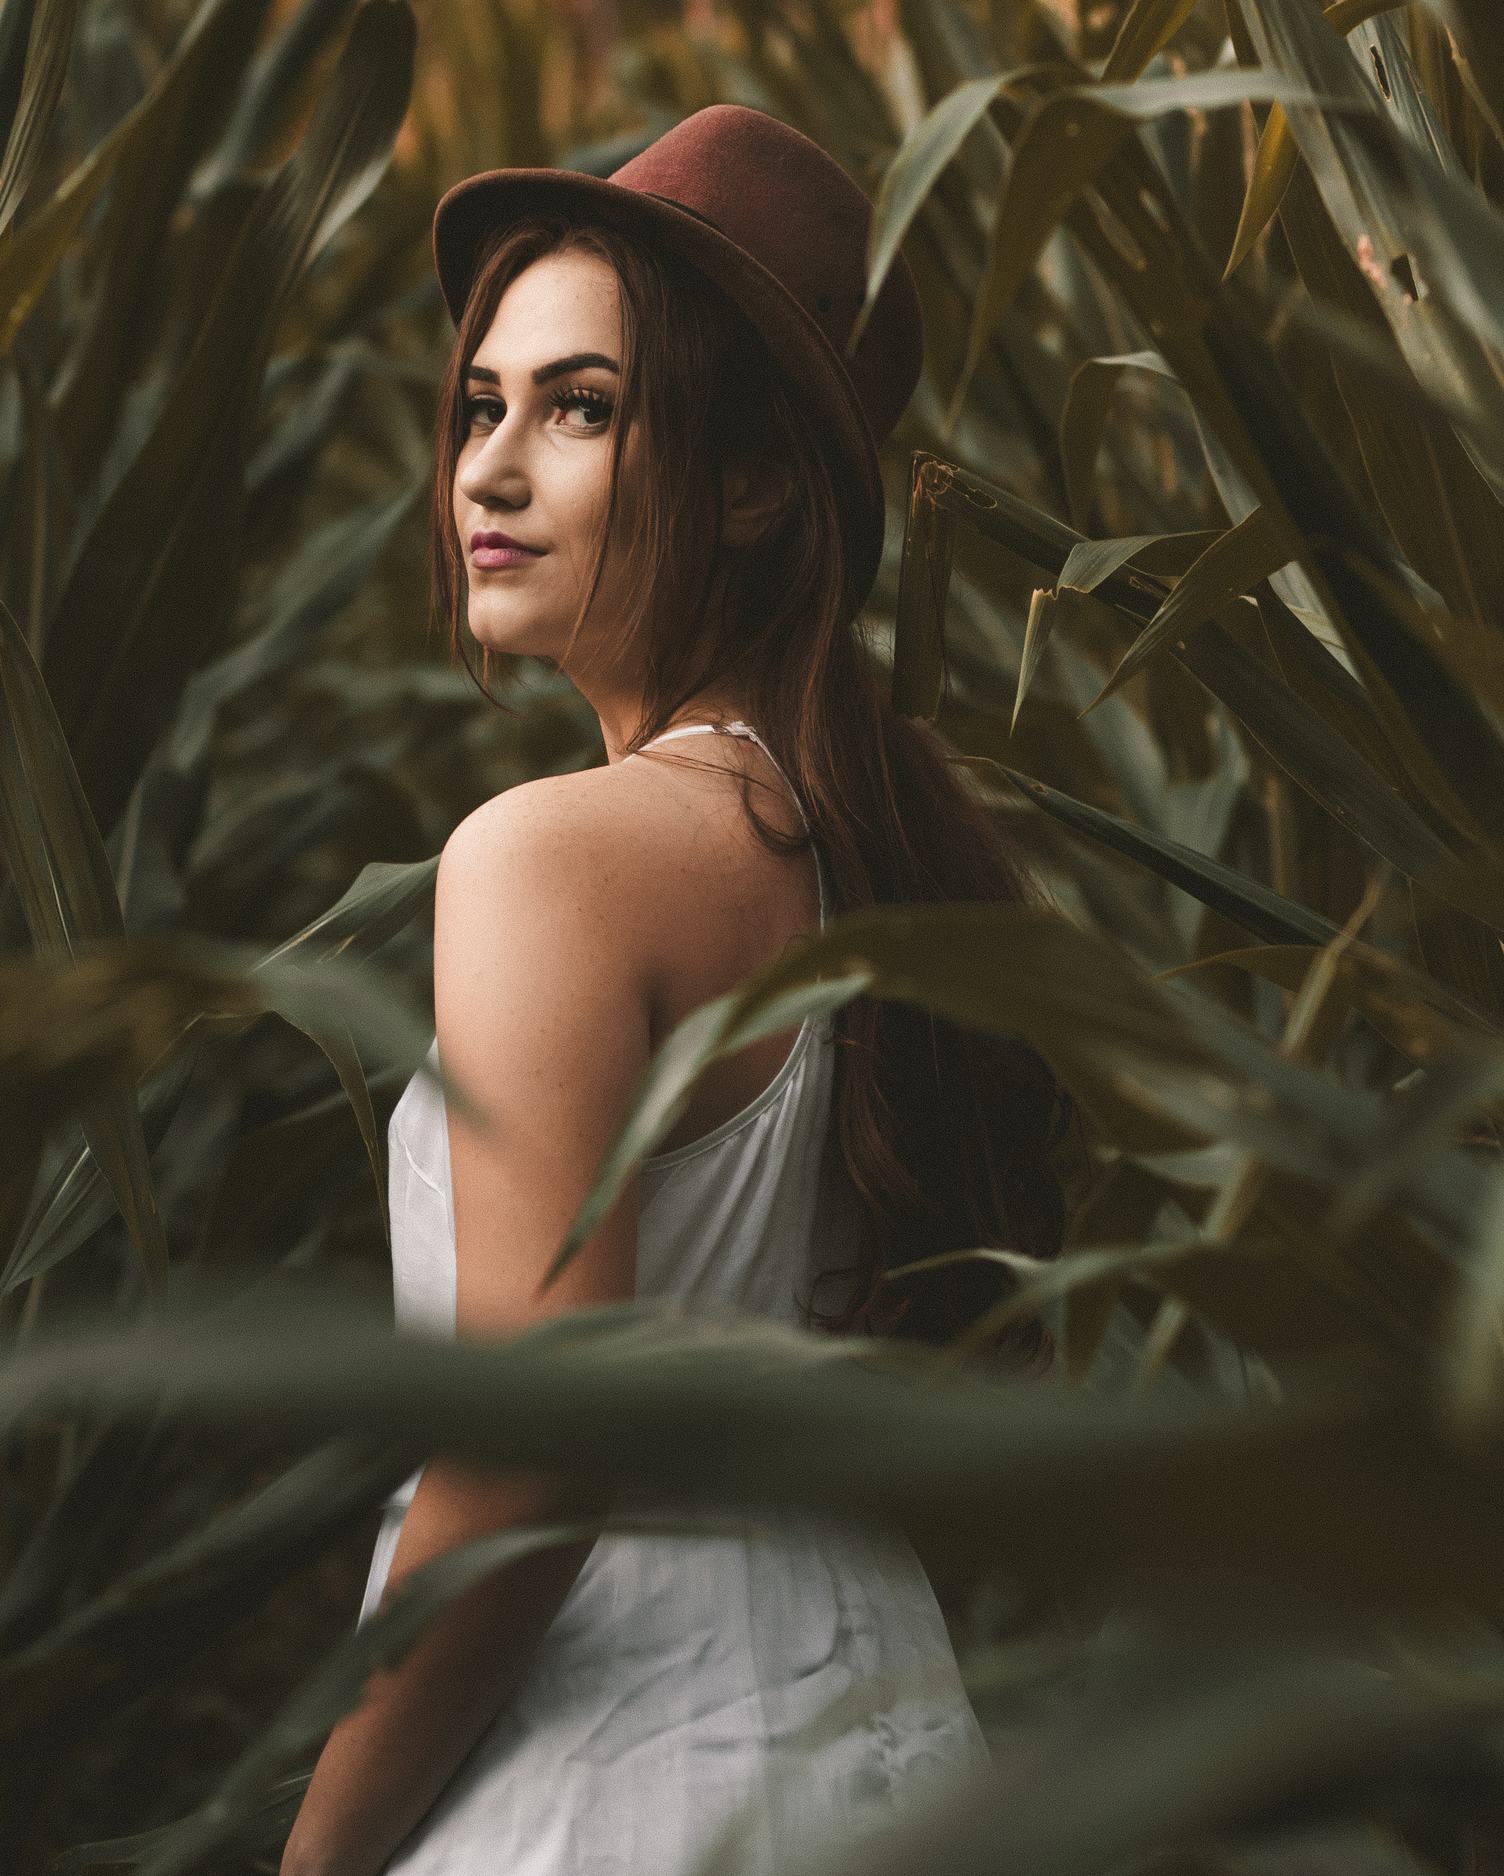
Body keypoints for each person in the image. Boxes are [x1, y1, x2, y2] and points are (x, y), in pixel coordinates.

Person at [281, 103, 1077, 1876]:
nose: (490, 469)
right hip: (885, 1735)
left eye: (581, 407)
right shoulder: (862, 846)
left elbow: (532, 1466)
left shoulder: (548, 857)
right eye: (482, 403)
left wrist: (316, 1854)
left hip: (611, 1780)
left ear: (755, 480)